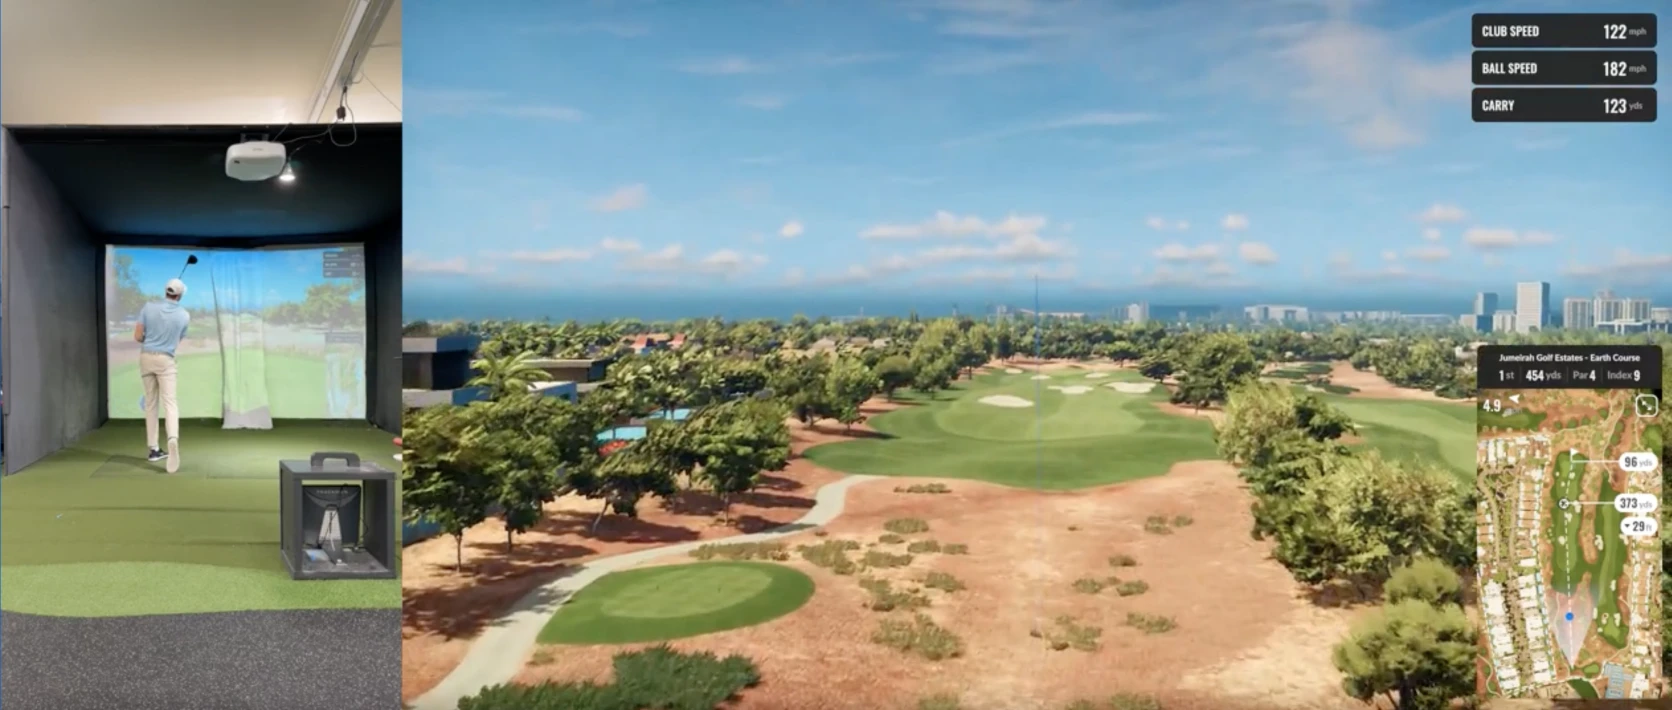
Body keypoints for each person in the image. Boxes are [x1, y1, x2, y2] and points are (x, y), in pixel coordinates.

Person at [133, 278, 191, 473]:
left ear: (166, 291)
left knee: (151, 404)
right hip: (166, 360)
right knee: (170, 403)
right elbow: (178, 340)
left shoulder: (148, 307)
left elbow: (138, 337)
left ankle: (154, 449)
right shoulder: (184, 315)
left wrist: (150, 335)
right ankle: (172, 439)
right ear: (180, 295)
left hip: (146, 358)